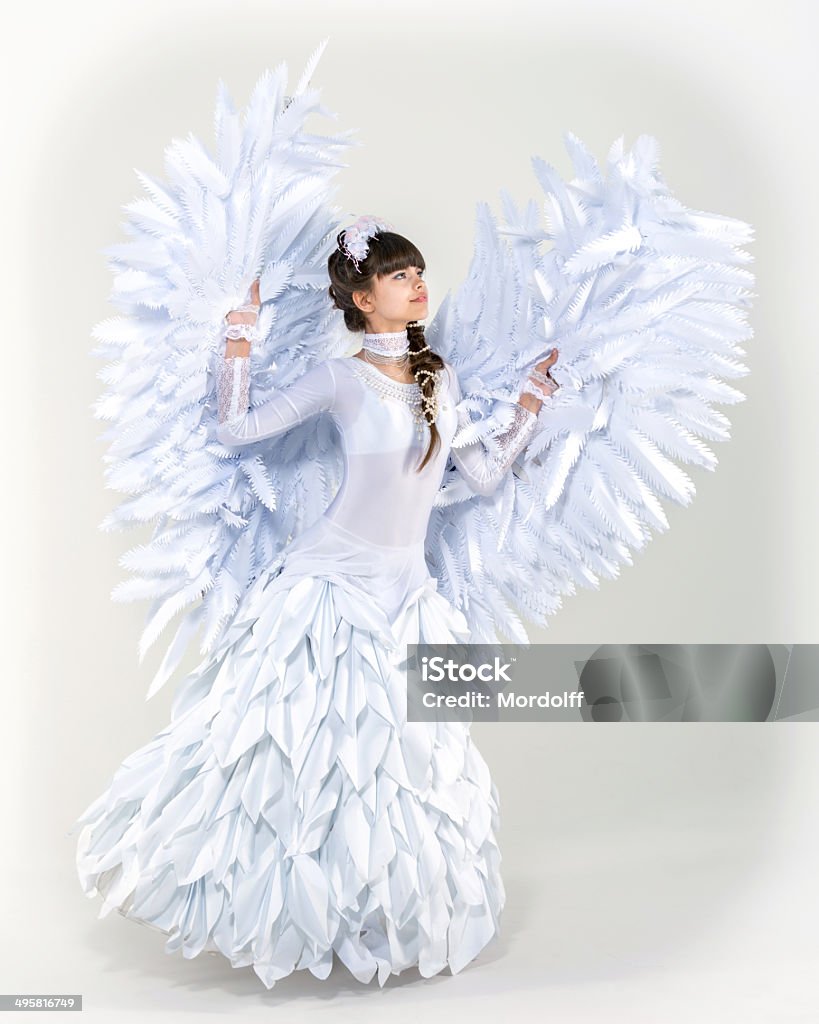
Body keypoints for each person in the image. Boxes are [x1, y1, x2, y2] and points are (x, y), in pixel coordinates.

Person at [72, 222, 560, 990]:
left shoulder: (441, 379)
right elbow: (236, 430)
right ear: (363, 299)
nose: (417, 284)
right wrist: (238, 339)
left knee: (396, 769)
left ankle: (367, 913)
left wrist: (530, 405)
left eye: (419, 272)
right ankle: (259, 907)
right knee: (290, 754)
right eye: (399, 276)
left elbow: (476, 476)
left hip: (406, 592)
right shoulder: (340, 380)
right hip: (329, 584)